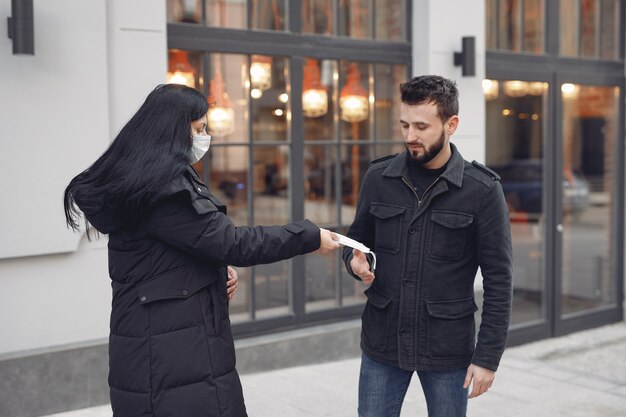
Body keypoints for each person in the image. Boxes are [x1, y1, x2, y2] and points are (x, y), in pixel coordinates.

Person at [64, 84, 340, 417]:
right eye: (199, 129)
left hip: (168, 341)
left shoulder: (150, 181)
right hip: (172, 353)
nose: (205, 137)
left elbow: (176, 252)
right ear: (173, 129)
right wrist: (309, 236)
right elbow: (233, 242)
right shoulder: (163, 190)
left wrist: (213, 267)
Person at [343, 75, 513, 417]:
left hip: (447, 346)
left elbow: (499, 279)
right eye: (404, 124)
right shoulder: (379, 178)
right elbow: (357, 241)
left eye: (421, 126)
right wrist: (354, 260)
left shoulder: (481, 190)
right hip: (383, 339)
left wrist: (487, 358)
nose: (410, 136)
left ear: (451, 124)